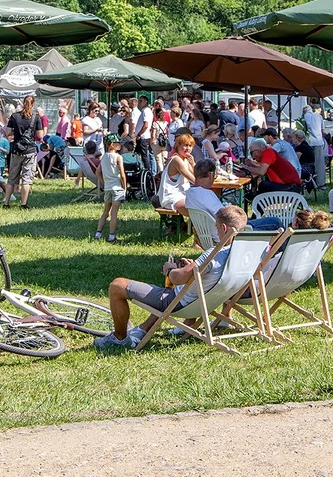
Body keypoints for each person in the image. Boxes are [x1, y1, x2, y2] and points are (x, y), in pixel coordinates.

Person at [96, 205, 248, 349]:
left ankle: (119, 338)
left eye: (216, 227)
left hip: (182, 303)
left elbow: (178, 279)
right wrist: (192, 266)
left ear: (224, 228)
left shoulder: (215, 254)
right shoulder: (245, 255)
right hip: (208, 302)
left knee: (117, 286)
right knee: (157, 294)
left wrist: (170, 270)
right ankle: (142, 329)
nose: (215, 231)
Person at [3, 95, 43, 210]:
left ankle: (6, 203)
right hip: (30, 150)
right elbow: (40, 136)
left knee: (12, 178)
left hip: (16, 150)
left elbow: (8, 132)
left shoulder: (14, 116)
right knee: (26, 179)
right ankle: (23, 204)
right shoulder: (36, 118)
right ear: (33, 104)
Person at [95, 135, 126, 244]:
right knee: (114, 213)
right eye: (118, 143)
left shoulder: (103, 157)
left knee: (105, 212)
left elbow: (97, 173)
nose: (120, 145)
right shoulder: (118, 157)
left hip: (108, 188)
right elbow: (122, 174)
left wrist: (104, 182)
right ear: (112, 144)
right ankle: (111, 236)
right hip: (117, 188)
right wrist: (125, 187)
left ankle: (98, 233)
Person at [158, 133, 196, 215]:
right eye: (185, 145)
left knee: (202, 206)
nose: (188, 148)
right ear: (178, 146)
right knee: (196, 209)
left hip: (183, 195)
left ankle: (191, 227)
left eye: (190, 146)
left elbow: (197, 175)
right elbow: (193, 180)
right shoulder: (176, 160)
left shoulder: (185, 160)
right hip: (171, 197)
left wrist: (193, 164)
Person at [301, 104, 325, 188]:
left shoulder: (305, 116)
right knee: (320, 164)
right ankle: (320, 183)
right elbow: (322, 131)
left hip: (309, 142)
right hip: (319, 141)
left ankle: (309, 182)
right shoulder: (319, 116)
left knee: (308, 163)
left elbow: (304, 129)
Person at [133, 95, 154, 173]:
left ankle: (148, 173)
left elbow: (146, 125)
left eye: (141, 101)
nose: (139, 103)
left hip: (143, 137)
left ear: (146, 101)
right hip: (141, 137)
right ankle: (140, 171)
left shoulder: (146, 111)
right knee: (138, 155)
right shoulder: (144, 111)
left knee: (144, 157)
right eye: (139, 101)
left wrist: (139, 134)